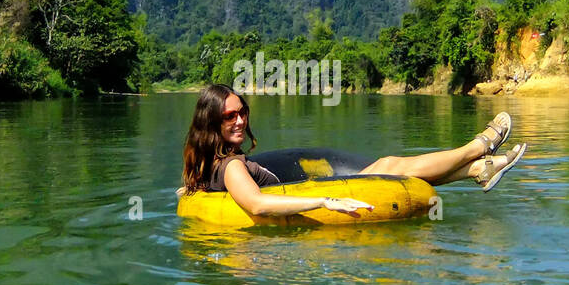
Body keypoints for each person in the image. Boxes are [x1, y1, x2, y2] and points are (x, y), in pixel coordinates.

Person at [179, 84, 525, 218]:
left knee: (391, 165)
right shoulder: (231, 167)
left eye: (242, 112)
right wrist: (324, 202)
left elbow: (192, 187)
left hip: (305, 188)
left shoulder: (206, 162)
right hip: (316, 199)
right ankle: (476, 148)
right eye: (230, 116)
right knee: (389, 164)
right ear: (212, 121)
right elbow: (256, 203)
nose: (240, 121)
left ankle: (477, 170)